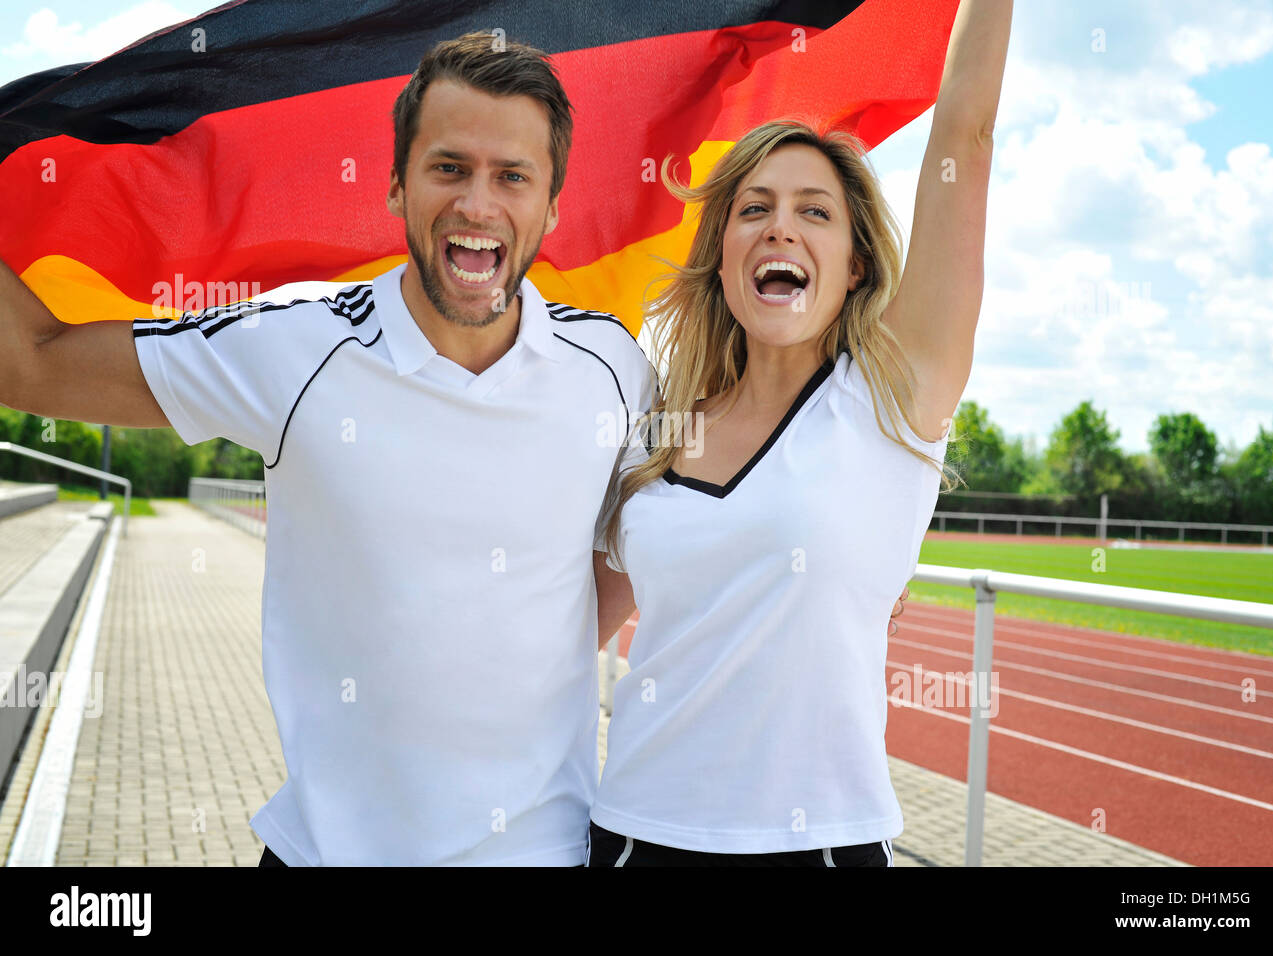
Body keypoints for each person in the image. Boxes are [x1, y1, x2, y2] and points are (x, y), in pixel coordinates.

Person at [0, 31, 664, 867]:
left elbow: (650, 538)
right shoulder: (294, 350)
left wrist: (533, 649)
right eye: (449, 167)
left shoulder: (613, 369)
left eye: (512, 176)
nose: (477, 203)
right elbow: (32, 364)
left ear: (553, 207)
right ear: (395, 185)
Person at [587, 0, 1012, 866]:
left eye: (815, 211)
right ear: (723, 253)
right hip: (631, 837)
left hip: (821, 846)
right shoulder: (656, 432)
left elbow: (963, 142)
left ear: (855, 266)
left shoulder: (892, 402)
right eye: (755, 208)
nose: (781, 225)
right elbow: (568, 636)